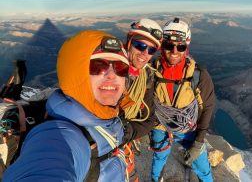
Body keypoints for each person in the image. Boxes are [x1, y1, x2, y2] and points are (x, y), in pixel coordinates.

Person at [3, 30, 134, 181]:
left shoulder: (107, 116)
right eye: (98, 66)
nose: (112, 75)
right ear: (75, 73)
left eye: (120, 67)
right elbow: (47, 165)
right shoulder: (61, 134)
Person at [149, 18, 215, 182]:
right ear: (162, 45)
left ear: (186, 47)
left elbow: (207, 107)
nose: (174, 51)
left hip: (188, 130)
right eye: (169, 45)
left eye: (181, 46)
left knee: (202, 165)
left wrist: (199, 142)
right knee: (159, 159)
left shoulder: (199, 75)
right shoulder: (150, 71)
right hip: (160, 126)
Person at [121, 18, 163, 182]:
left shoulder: (146, 78)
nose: (145, 54)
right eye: (140, 45)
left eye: (151, 50)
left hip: (123, 142)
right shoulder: (107, 66)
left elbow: (149, 119)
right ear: (129, 42)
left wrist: (129, 131)